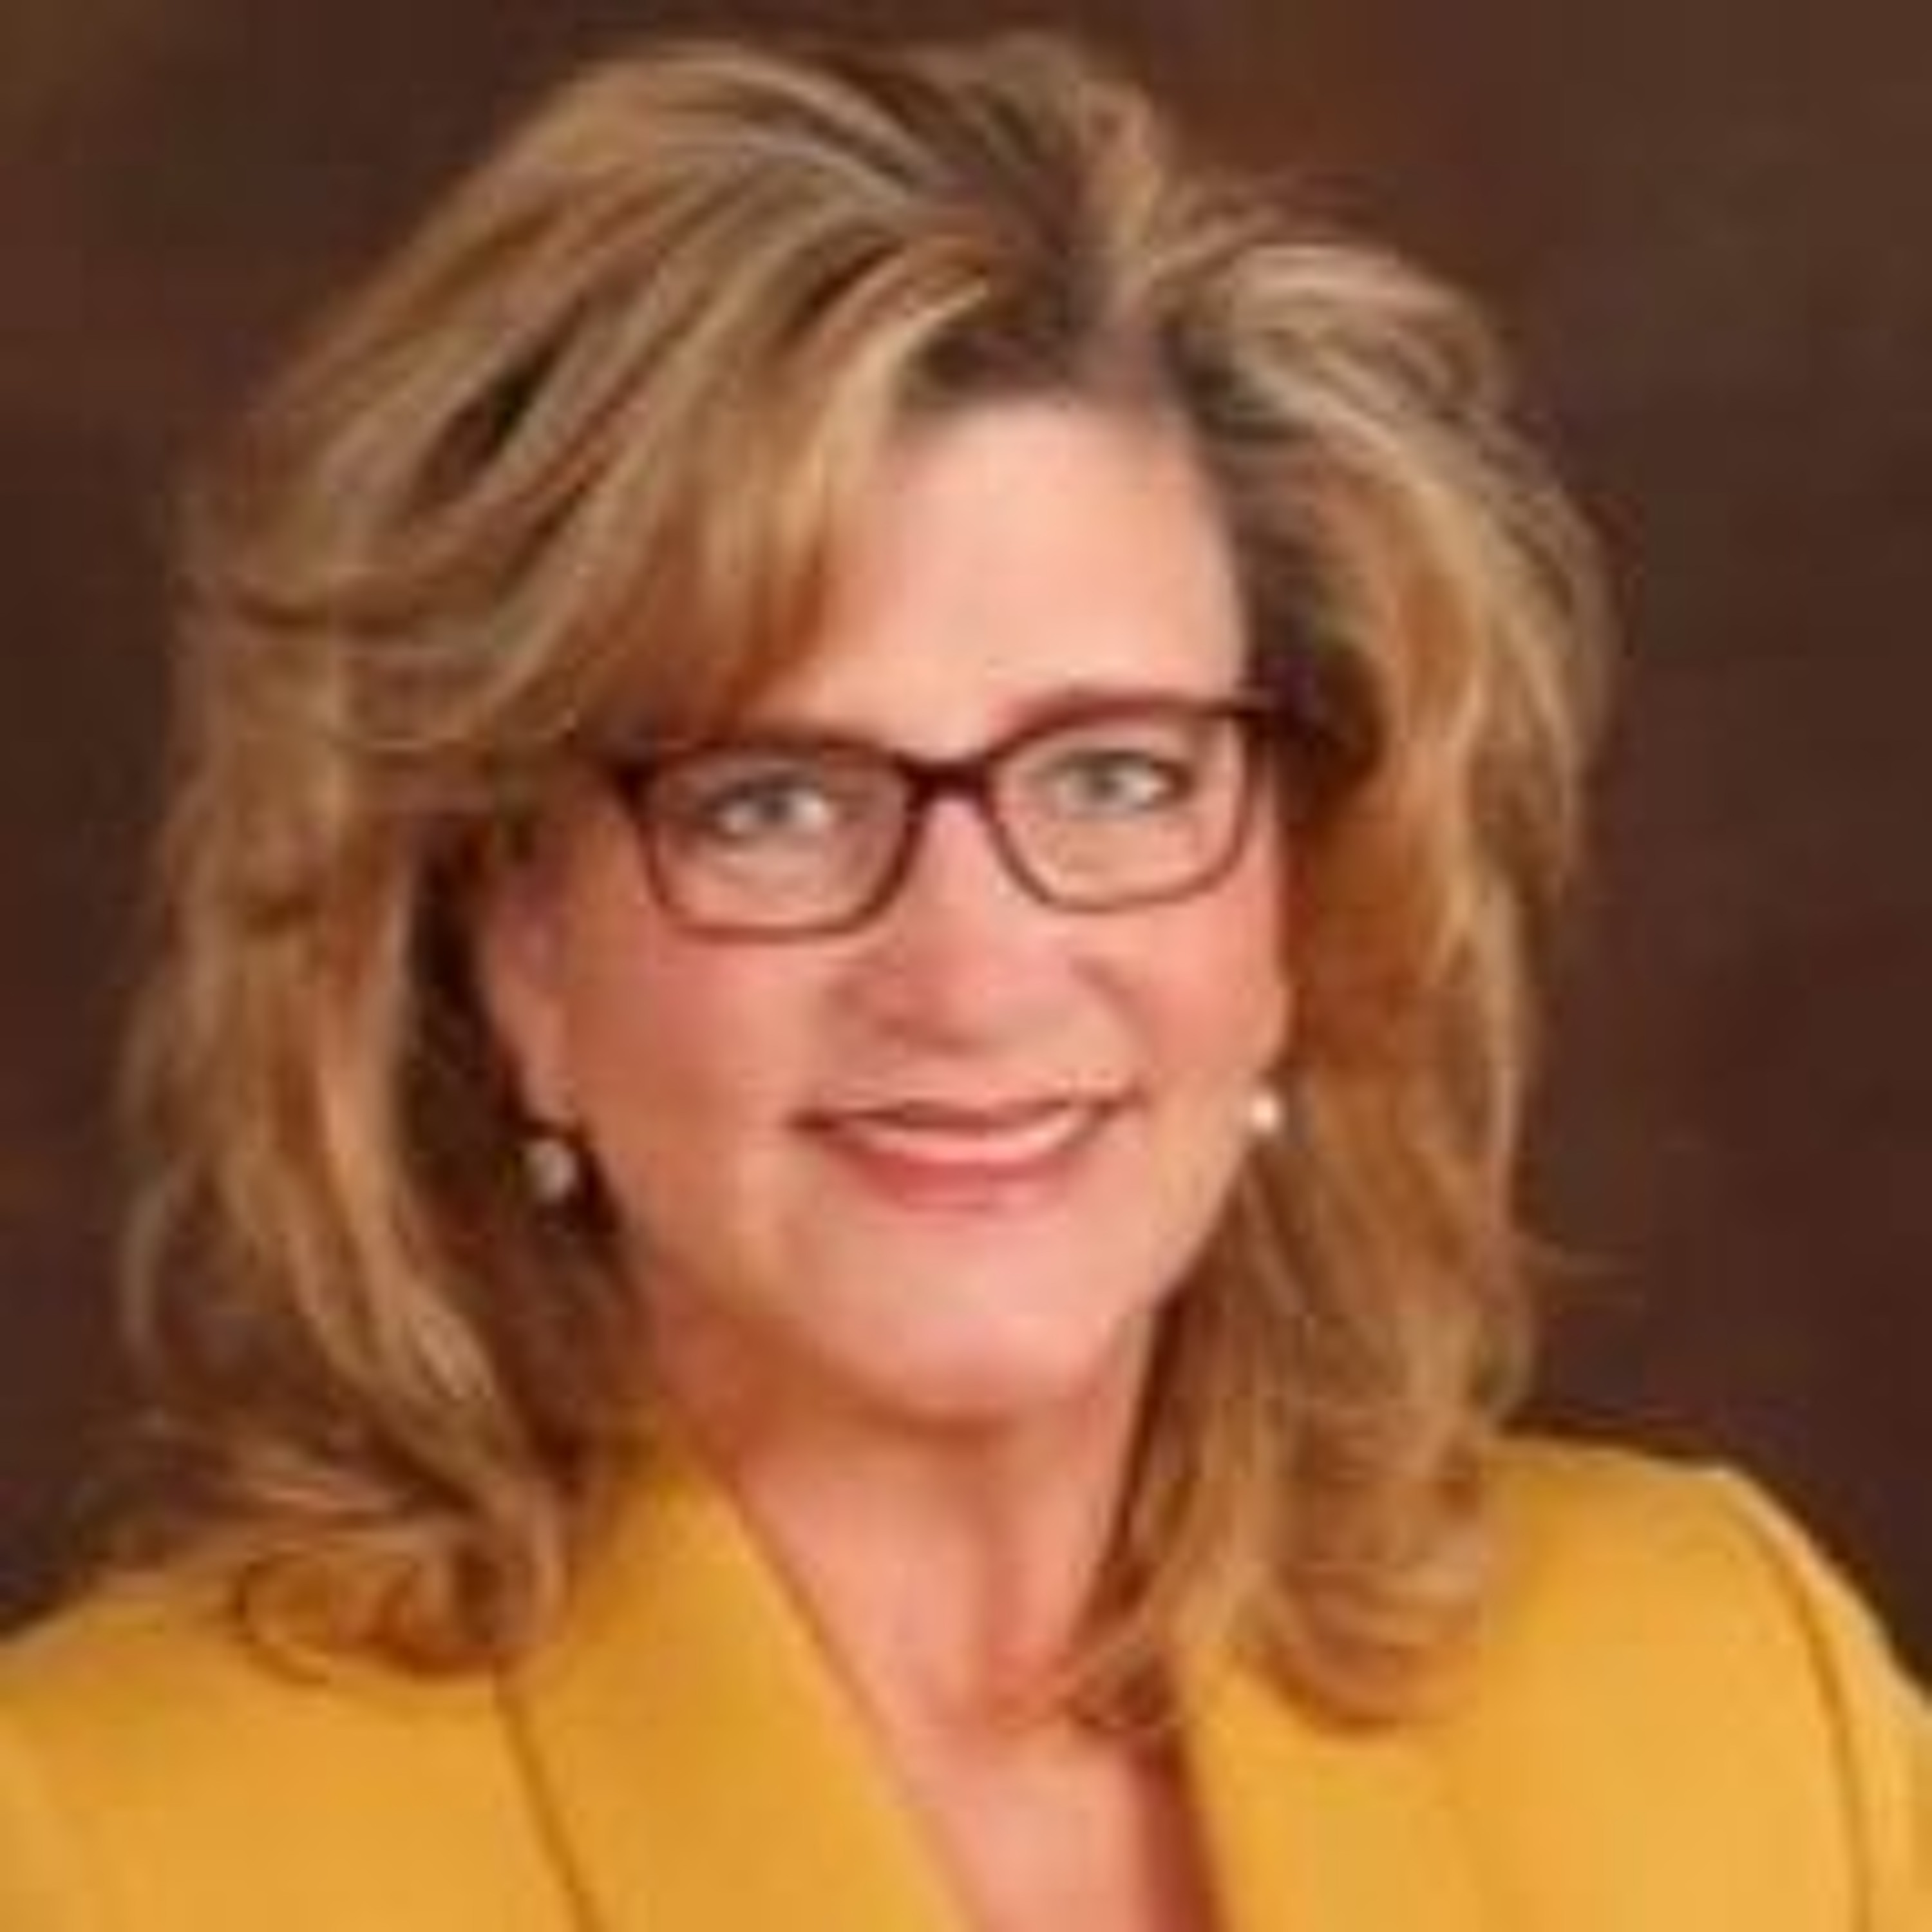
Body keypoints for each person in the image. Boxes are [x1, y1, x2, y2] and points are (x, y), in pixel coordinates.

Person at [0, 27, 1924, 1931]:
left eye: (1114, 775)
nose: (973, 973)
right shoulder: (98, 1847)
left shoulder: (1736, 1703)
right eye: (774, 802)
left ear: (1302, 887)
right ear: (517, 948)